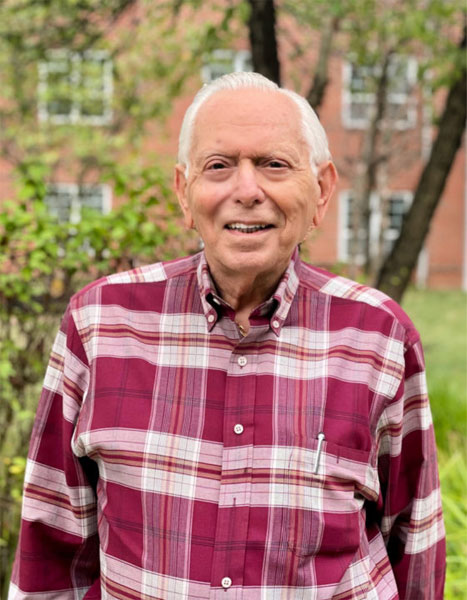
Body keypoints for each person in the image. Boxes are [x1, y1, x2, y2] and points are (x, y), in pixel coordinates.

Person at [9, 72, 445, 599]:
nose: (246, 191)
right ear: (184, 192)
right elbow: (51, 550)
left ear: (322, 191)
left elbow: (413, 546)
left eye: (273, 165)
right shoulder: (100, 325)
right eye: (219, 166)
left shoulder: (380, 339)